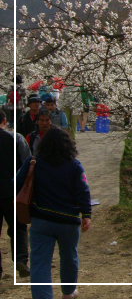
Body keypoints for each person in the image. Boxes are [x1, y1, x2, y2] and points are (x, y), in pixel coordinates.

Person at [16, 127, 91, 299]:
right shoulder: (75, 165)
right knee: (69, 257)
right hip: (69, 221)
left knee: (40, 263)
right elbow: (83, 191)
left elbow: (17, 183)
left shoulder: (34, 162)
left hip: (41, 220)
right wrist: (87, 215)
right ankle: (69, 292)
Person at [0, 110, 32, 279]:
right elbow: (28, 162)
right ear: (5, 120)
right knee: (18, 227)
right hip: (12, 190)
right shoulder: (16, 138)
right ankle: (20, 259)